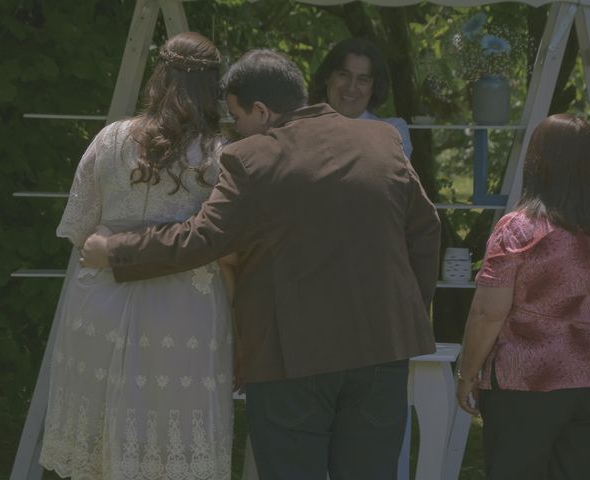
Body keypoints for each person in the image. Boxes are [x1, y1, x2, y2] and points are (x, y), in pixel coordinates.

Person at [82, 49, 441, 480]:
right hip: (383, 351)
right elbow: (425, 231)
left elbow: (201, 238)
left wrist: (114, 250)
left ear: (262, 111)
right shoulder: (384, 141)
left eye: (236, 118)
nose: (235, 130)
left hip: (291, 357)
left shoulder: (251, 159)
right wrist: (407, 312)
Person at [39, 32, 234, 480]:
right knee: (170, 442)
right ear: (213, 86)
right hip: (184, 310)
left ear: (158, 76)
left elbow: (78, 230)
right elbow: (225, 242)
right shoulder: (221, 156)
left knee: (93, 434)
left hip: (100, 299)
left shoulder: (110, 139)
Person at [456, 114, 590, 479]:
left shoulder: (519, 228)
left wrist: (466, 374)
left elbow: (487, 313)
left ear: (537, 162)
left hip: (523, 382)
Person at [309, 37, 413, 158]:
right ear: (327, 76)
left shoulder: (393, 130)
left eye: (363, 80)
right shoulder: (303, 127)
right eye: (344, 75)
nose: (351, 88)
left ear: (375, 86)